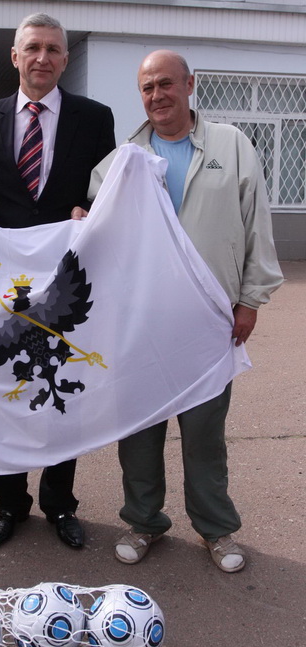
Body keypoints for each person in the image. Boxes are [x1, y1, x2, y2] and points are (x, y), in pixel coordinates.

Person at [75, 50, 283, 572]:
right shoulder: (123, 159)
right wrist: (81, 220)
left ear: (190, 85)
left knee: (205, 434)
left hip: (209, 320)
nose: (157, 95)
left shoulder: (231, 146)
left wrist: (250, 300)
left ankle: (216, 529)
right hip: (139, 323)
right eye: (147, 88)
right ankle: (144, 521)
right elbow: (99, 229)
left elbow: (256, 225)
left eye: (166, 84)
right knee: (139, 432)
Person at [0, 13, 116, 549]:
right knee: (4, 393)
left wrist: (89, 209)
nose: (42, 58)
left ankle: (60, 504)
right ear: (15, 56)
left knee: (60, 394)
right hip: (5, 281)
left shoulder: (94, 118)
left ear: (66, 59)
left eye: (53, 49)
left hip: (65, 277)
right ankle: (8, 505)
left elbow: (103, 192)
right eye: (33, 48)